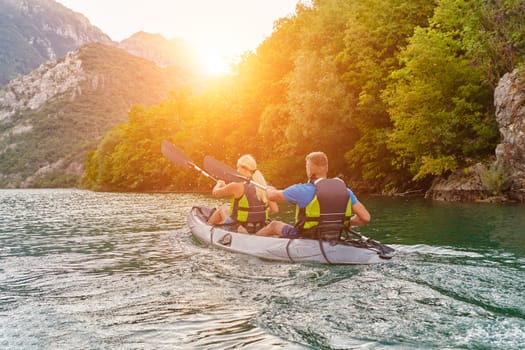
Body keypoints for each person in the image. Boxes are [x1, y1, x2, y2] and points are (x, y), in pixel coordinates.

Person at [256, 151, 370, 237]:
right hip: (334, 235)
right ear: (326, 168)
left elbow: (271, 196)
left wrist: (268, 189)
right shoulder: (345, 191)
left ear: (310, 169)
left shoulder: (301, 190)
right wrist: (340, 223)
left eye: (306, 166)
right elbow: (365, 217)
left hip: (306, 236)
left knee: (274, 225)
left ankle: (251, 242)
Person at [207, 154, 279, 233]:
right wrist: (256, 214)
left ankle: (206, 228)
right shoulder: (264, 186)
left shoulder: (237, 184)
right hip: (260, 227)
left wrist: (219, 184)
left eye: (238, 167)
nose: (237, 170)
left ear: (243, 168)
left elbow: (216, 193)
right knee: (227, 208)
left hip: (239, 227)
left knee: (223, 208)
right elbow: (275, 210)